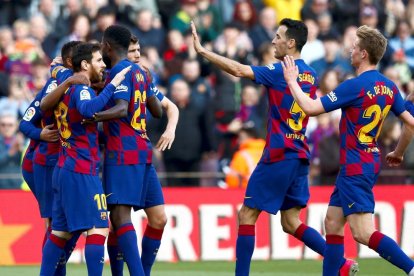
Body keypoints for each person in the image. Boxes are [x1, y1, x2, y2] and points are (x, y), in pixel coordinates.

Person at [191, 18, 357, 275]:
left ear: (291, 43)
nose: (273, 41)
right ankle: (341, 263)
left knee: (247, 215)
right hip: (300, 154)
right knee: (291, 222)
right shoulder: (311, 74)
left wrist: (203, 51)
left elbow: (237, 70)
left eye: (278, 37)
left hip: (279, 154)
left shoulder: (279, 71)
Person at [282, 25, 414, 275]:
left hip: (356, 164)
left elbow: (310, 107)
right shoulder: (389, 86)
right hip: (365, 162)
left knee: (363, 232)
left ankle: (411, 268)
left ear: (363, 53)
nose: (350, 50)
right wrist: (398, 152)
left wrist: (291, 81)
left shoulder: (354, 86)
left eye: (354, 46)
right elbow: (410, 122)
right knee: (332, 222)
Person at [39, 42, 131, 276]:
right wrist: (114, 86)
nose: (103, 65)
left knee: (60, 233)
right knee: (99, 227)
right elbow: (89, 109)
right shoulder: (81, 89)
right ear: (85, 64)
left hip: (65, 167)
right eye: (99, 61)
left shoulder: (66, 85)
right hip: (80, 169)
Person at [105, 34, 178, 276]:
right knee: (124, 220)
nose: (137, 54)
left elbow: (157, 109)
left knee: (151, 218)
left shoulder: (130, 74)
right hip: (132, 152)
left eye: (139, 50)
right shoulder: (131, 74)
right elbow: (156, 111)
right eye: (133, 50)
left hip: (132, 152)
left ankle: (141, 273)